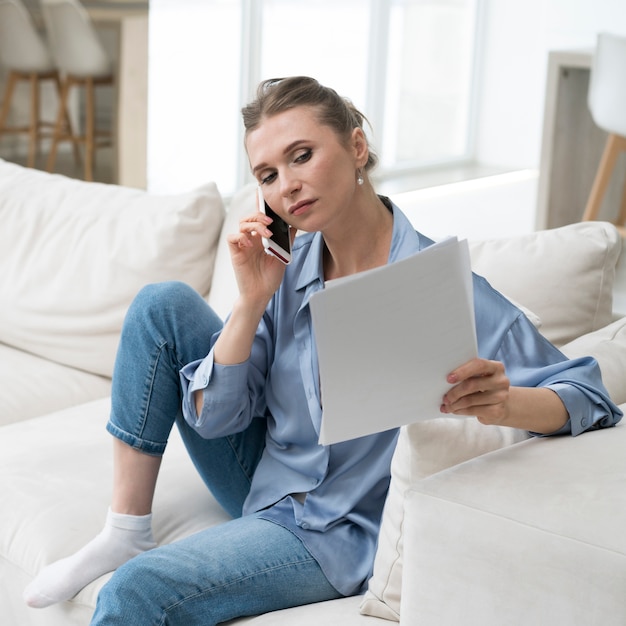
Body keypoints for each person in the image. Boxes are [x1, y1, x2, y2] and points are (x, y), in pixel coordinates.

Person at [24, 76, 622, 624]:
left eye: (302, 156)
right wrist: (252, 301)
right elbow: (216, 419)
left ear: (357, 148)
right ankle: (125, 527)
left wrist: (504, 404)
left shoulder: (443, 287)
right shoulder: (287, 268)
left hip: (328, 528)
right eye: (267, 174)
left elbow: (590, 395)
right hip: (262, 479)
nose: (287, 184)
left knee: (134, 591)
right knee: (162, 304)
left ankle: (135, 560)